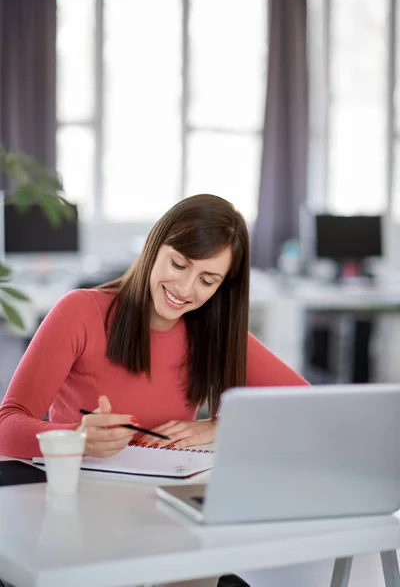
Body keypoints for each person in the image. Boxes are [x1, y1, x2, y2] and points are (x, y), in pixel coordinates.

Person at [0, 194, 308, 460]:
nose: (185, 289)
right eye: (178, 265)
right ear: (153, 246)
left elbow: (308, 406)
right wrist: (76, 436)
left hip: (165, 500)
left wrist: (217, 425)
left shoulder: (215, 332)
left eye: (207, 280)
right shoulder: (80, 311)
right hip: (82, 494)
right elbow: (7, 426)